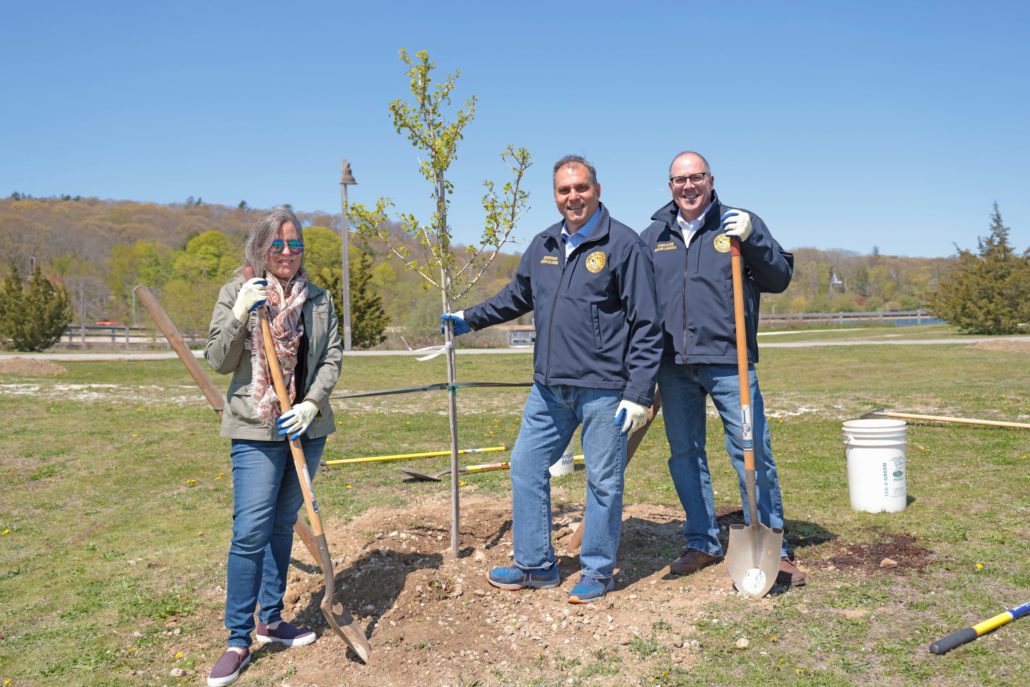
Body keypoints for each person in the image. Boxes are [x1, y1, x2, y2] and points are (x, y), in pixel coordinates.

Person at [442, 155, 662, 603]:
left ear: (596, 190)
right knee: (526, 465)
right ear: (555, 195)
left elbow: (647, 324)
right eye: (564, 190)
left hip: (605, 390)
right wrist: (470, 319)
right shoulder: (544, 243)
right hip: (549, 389)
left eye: (580, 188)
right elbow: (516, 297)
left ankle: (598, 571)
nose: (573, 197)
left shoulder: (623, 245)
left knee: (602, 481)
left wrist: (638, 392)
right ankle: (536, 565)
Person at [640, 151, 807, 586]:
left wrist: (753, 240)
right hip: (674, 366)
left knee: (753, 453)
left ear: (711, 180)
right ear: (670, 185)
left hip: (731, 364)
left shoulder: (738, 222)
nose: (688, 186)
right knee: (685, 454)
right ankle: (702, 541)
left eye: (696, 178)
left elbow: (779, 278)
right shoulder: (654, 235)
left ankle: (773, 543)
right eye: (680, 180)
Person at [204, 207, 342, 686]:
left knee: (282, 523)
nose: (286, 253)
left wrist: (310, 403)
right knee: (250, 531)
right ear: (260, 248)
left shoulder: (319, 300)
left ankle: (271, 617)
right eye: (277, 245)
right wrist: (241, 312)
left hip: (306, 426)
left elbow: (331, 358)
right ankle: (238, 639)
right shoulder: (238, 294)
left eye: (295, 244)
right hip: (256, 429)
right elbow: (220, 360)